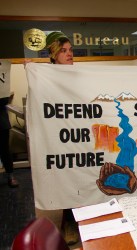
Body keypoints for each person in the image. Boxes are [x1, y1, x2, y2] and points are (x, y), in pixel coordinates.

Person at [44, 31, 78, 245]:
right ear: (54, 54)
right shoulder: (46, 76)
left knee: (78, 177)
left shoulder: (76, 74)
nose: (69, 54)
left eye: (71, 50)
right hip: (58, 135)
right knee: (65, 178)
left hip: (77, 132)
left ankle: (76, 219)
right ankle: (67, 221)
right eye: (64, 51)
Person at [0, 94, 19, 188]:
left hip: (1, 121)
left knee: (5, 150)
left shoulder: (2, 81)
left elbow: (5, 99)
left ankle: (10, 176)